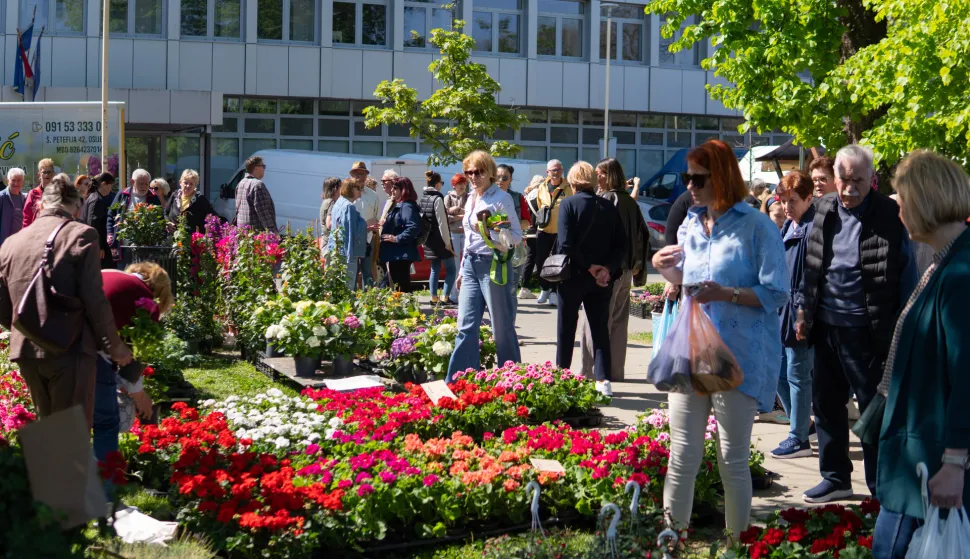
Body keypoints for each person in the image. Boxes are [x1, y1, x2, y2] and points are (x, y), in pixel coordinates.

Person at [651, 139, 789, 538]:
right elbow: (688, 281)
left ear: (722, 177)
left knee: (732, 459)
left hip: (739, 355)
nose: (689, 185)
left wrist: (726, 293)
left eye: (698, 178)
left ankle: (736, 543)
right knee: (682, 455)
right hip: (693, 352)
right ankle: (671, 539)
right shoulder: (691, 224)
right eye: (686, 177)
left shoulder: (757, 226)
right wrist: (666, 270)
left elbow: (776, 292)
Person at [796, 144, 918, 503]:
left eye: (858, 182)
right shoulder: (822, 210)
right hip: (825, 327)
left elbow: (907, 275)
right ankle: (835, 478)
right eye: (844, 180)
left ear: (873, 180)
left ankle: (880, 490)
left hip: (869, 332)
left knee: (872, 413)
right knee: (827, 406)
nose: (849, 189)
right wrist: (804, 312)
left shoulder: (891, 215)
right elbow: (812, 267)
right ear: (834, 179)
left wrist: (902, 328)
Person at [871, 150, 970, 559]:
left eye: (903, 202)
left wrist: (954, 462)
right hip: (921, 452)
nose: (899, 213)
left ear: (926, 201)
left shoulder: (960, 274)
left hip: (936, 458)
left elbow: (967, 372)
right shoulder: (946, 264)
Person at [0, 176, 133, 427]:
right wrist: (113, 344)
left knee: (50, 430)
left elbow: (2, 305)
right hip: (69, 349)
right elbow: (94, 298)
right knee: (69, 437)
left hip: (27, 350)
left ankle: (48, 466)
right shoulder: (82, 234)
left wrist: (29, 328)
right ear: (77, 207)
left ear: (40, 205)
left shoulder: (11, 243)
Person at [445, 151, 522, 382]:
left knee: (501, 327)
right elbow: (468, 240)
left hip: (493, 264)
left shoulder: (501, 198)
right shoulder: (470, 198)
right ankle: (459, 381)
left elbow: (516, 236)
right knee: (465, 326)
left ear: (489, 172)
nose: (473, 176)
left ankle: (511, 379)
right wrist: (460, 271)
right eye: (469, 172)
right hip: (470, 264)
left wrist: (494, 232)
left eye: (478, 172)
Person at [94, 263, 173, 468]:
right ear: (160, 292)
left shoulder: (107, 273)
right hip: (92, 356)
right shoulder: (146, 301)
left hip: (56, 346)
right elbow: (137, 360)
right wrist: (140, 397)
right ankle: (106, 492)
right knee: (107, 422)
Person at [557, 162, 626, 396]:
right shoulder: (608, 206)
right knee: (600, 329)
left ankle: (562, 377)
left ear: (573, 181)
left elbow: (566, 244)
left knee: (566, 328)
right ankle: (603, 381)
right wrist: (605, 269)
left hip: (573, 276)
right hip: (601, 281)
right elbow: (621, 246)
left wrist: (589, 266)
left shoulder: (568, 204)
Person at [579, 158, 646, 383]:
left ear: (608, 176)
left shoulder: (607, 199)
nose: (595, 177)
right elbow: (642, 235)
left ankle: (590, 373)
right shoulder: (629, 201)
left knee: (594, 321)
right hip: (626, 270)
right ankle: (615, 372)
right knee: (618, 323)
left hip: (607, 271)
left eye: (599, 173)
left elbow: (601, 237)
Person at [771, 171, 817, 459]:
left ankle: (798, 437)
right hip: (782, 310)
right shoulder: (790, 225)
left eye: (793, 200)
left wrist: (802, 314)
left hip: (800, 312)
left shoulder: (811, 228)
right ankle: (802, 424)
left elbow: (808, 278)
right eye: (783, 200)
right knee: (777, 372)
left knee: (797, 375)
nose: (787, 206)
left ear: (809, 199)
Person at [529, 159, 573, 306]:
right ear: (547, 172)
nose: (556, 173)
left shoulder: (568, 187)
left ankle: (554, 291)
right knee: (540, 260)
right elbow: (540, 206)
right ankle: (544, 288)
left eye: (559, 169)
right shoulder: (542, 187)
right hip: (544, 230)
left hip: (561, 231)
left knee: (557, 261)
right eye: (553, 170)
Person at [495, 164, 531, 316]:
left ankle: (510, 333)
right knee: (493, 293)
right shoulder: (485, 196)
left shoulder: (517, 197)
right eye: (497, 177)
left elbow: (527, 222)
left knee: (511, 291)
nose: (500, 181)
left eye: (505, 178)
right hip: (491, 249)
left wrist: (510, 224)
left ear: (510, 180)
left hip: (513, 249)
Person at [107, 169, 162, 263]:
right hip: (124, 245)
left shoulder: (153, 197)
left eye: (146, 183)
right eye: (141, 183)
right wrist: (110, 234)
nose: (144, 186)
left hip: (145, 246)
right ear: (132, 182)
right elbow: (111, 214)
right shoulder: (123, 194)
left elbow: (160, 217)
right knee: (124, 274)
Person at [379, 177, 421, 293]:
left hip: (401, 254)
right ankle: (405, 308)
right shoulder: (401, 205)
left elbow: (413, 227)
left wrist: (397, 238)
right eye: (392, 187)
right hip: (396, 254)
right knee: (399, 286)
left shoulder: (407, 206)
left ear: (403, 190)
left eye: (395, 188)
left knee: (402, 287)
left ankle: (407, 309)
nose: (392, 190)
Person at [421, 171, 456, 305]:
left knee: (434, 269)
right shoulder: (437, 198)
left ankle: (433, 298)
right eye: (441, 183)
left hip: (429, 239)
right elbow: (442, 222)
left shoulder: (423, 198)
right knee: (451, 269)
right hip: (440, 239)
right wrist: (448, 243)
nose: (442, 185)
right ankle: (445, 297)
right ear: (437, 184)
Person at [329, 178, 370, 291]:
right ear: (351, 189)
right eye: (359, 188)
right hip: (347, 253)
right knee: (348, 287)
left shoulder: (339, 202)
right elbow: (350, 232)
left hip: (337, 250)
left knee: (338, 287)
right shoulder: (349, 207)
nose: (361, 191)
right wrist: (350, 257)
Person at [350, 162, 380, 288]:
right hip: (351, 238)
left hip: (368, 239)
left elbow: (376, 217)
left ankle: (369, 300)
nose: (359, 177)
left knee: (368, 272)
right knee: (352, 272)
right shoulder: (346, 194)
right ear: (352, 175)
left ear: (366, 176)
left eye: (362, 174)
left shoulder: (373, 196)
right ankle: (351, 299)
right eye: (356, 174)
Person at [82, 172, 118, 270]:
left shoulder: (92, 197)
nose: (111, 189)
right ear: (103, 184)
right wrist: (99, 247)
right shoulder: (96, 200)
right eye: (110, 185)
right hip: (98, 246)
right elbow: (93, 224)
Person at [519, 174, 545, 300]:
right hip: (540, 231)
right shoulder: (541, 195)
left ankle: (524, 287)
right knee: (541, 260)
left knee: (529, 260)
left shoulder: (526, 197)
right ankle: (544, 288)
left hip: (529, 231)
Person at [235, 156, 277, 232]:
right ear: (256, 168)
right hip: (256, 235)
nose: (264, 169)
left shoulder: (241, 183)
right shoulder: (258, 185)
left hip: (243, 232)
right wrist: (273, 232)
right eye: (263, 166)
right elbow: (263, 212)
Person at [22, 158, 55, 229]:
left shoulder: (58, 193)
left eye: (49, 172)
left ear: (53, 174)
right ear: (39, 174)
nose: (47, 175)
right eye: (44, 172)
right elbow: (27, 217)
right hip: (36, 233)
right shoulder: (33, 193)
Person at [445, 172, 468, 261]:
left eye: (464, 183)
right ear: (454, 185)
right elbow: (445, 217)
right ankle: (456, 275)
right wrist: (459, 216)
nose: (462, 186)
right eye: (459, 183)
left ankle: (465, 275)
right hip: (453, 232)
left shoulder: (469, 197)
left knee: (467, 258)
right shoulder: (448, 197)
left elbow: (471, 213)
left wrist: (457, 209)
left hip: (466, 231)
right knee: (456, 258)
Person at [0, 168, 26, 247]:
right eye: (13, 180)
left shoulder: (24, 198)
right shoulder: (2, 197)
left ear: (22, 182)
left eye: (19, 180)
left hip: (20, 243)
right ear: (8, 181)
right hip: (4, 244)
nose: (16, 183)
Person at [319, 177, 341, 247]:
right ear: (335, 189)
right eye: (341, 186)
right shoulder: (332, 203)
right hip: (329, 242)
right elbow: (329, 224)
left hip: (325, 239)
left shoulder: (325, 201)